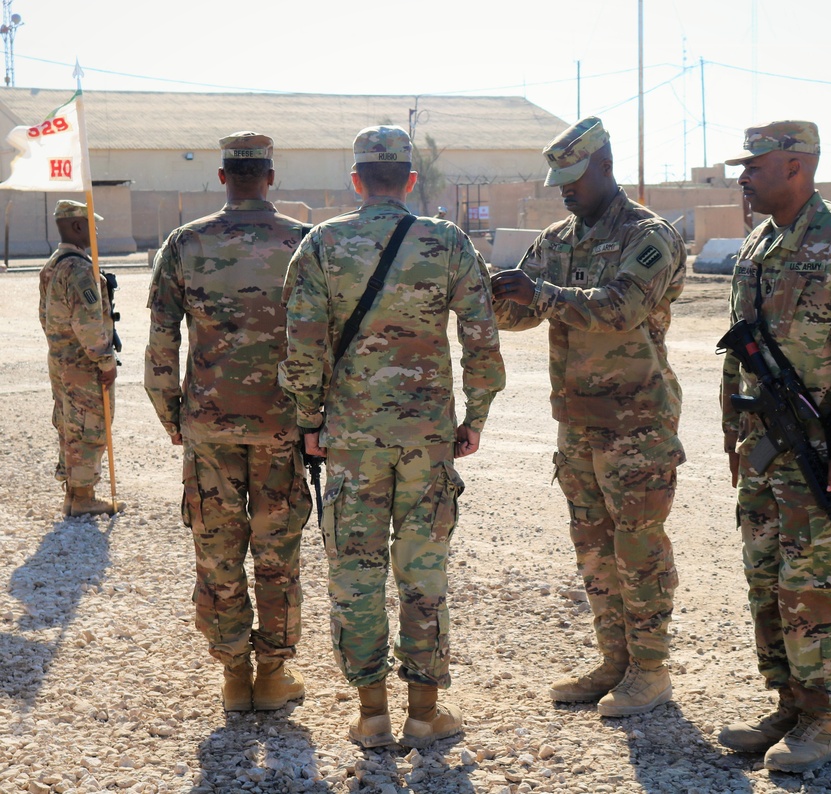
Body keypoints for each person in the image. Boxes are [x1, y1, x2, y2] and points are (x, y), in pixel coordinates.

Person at [279, 125, 505, 749]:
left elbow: (301, 345)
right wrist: (475, 417)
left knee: (355, 573)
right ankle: (425, 713)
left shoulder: (322, 244)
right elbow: (481, 338)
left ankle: (372, 714)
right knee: (423, 573)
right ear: (409, 180)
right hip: (428, 441)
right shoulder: (447, 241)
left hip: (350, 442)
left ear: (356, 181)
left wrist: (308, 421)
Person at [490, 116, 686, 718]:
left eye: (575, 177)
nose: (565, 189)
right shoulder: (558, 239)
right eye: (559, 180)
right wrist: (493, 292)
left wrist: (540, 295)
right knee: (594, 546)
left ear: (605, 164)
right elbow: (516, 317)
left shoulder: (648, 236)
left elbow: (622, 308)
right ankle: (614, 662)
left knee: (638, 545)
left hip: (637, 422)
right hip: (577, 419)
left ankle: (650, 671)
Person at [716, 120, 831, 773]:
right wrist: (734, 434)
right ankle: (791, 704)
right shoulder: (757, 245)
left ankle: (826, 723)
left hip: (823, 454)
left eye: (755, 166)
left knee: (814, 583)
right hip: (764, 451)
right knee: (766, 578)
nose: (743, 178)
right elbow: (736, 348)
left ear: (796, 166)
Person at [145, 131, 311, 713]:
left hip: (209, 427)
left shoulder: (186, 244)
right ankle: (272, 675)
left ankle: (233, 675)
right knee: (276, 551)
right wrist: (315, 417)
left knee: (217, 550)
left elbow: (162, 342)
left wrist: (172, 414)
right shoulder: (302, 242)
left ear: (223, 177)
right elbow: (325, 339)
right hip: (281, 428)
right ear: (270, 175)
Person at [38, 199, 122, 517]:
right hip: (82, 363)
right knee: (89, 425)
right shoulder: (80, 269)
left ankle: (74, 493)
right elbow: (88, 324)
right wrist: (105, 361)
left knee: (68, 423)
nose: (96, 231)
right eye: (91, 225)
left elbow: (45, 316)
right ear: (76, 226)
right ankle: (84, 497)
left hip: (60, 358)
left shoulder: (52, 265)